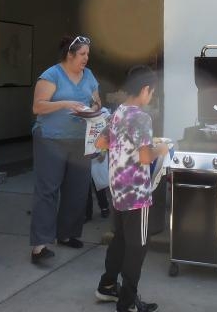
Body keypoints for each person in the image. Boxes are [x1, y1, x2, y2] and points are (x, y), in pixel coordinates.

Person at [94, 66, 167, 312]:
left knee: (121, 240)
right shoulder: (141, 117)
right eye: (152, 93)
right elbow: (146, 158)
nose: (151, 97)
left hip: (118, 188)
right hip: (136, 192)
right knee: (138, 246)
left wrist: (123, 150)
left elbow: (101, 142)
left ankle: (106, 286)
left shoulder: (118, 112)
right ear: (146, 90)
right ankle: (127, 301)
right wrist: (162, 148)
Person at [29, 35, 101, 263]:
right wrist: (65, 104)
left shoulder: (88, 75)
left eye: (88, 54)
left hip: (80, 140)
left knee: (77, 190)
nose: (86, 59)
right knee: (48, 191)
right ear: (69, 55)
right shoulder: (52, 75)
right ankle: (39, 246)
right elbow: (37, 107)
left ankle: (67, 234)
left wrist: (94, 108)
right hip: (51, 139)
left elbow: (97, 101)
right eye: (82, 54)